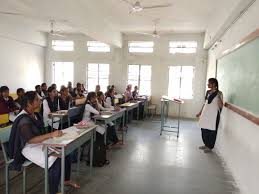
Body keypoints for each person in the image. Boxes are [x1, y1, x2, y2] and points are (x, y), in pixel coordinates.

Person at [8, 91, 79, 194]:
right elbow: (30, 140)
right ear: (29, 103)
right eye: (37, 100)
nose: (40, 101)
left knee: (65, 151)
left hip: (39, 142)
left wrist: (48, 140)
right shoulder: (23, 119)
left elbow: (39, 135)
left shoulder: (35, 114)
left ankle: (66, 180)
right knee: (55, 160)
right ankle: (53, 192)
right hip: (27, 147)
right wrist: (51, 135)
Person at [196, 78, 223, 153]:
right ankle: (206, 144)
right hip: (205, 114)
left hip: (213, 115)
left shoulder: (219, 93)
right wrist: (200, 112)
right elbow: (205, 103)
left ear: (214, 84)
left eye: (209, 83)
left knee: (211, 130)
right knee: (203, 129)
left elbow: (221, 106)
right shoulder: (208, 92)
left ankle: (210, 146)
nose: (208, 84)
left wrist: (218, 97)